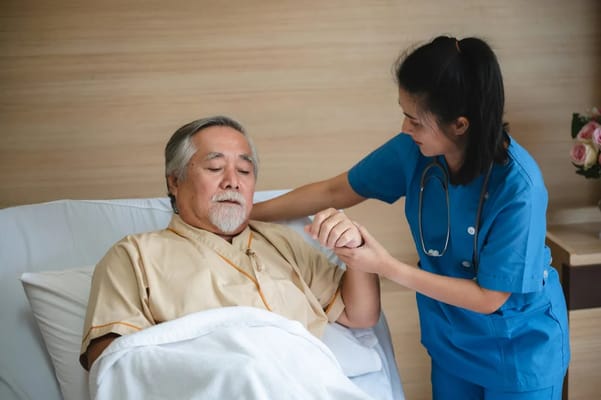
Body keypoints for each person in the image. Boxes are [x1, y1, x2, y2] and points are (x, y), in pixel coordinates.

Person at [251, 36, 570, 399]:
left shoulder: (518, 187)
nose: (405, 129)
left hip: (519, 350)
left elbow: (489, 297)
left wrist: (385, 265)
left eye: (414, 120)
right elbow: (334, 191)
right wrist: (246, 212)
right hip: (452, 342)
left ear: (460, 125)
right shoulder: (414, 151)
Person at [79, 115, 381, 371]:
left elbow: (360, 315)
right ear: (174, 181)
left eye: (245, 171)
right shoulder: (135, 255)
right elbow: (109, 360)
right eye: (214, 168)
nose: (233, 181)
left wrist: (353, 248)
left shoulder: (282, 243)